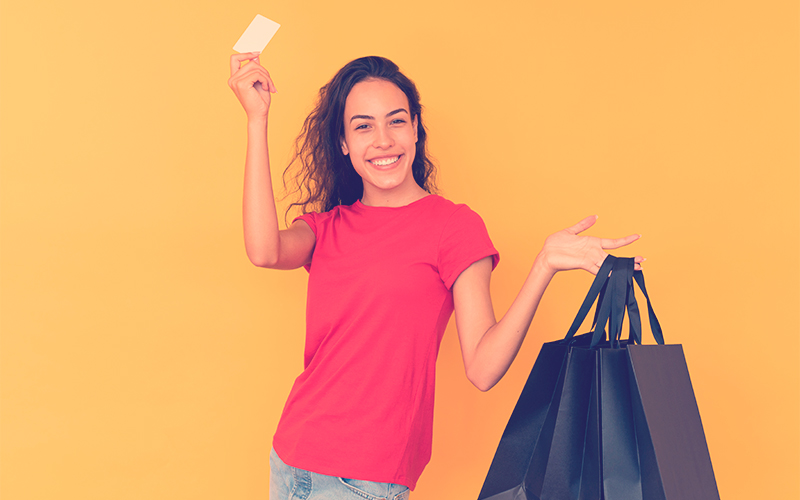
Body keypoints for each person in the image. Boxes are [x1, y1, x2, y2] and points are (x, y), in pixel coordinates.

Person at [228, 53, 643, 500]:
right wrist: (256, 120)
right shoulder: (328, 227)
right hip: (291, 458)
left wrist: (544, 264)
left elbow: (483, 369)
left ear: (415, 129)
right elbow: (263, 250)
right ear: (344, 143)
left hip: (363, 479)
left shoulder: (453, 228)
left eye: (396, 122)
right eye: (363, 126)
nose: (383, 140)